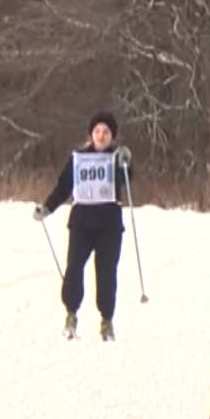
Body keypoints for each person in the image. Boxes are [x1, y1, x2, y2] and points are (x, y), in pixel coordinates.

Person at [34, 112, 132, 341]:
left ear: (112, 136)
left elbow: (128, 179)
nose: (101, 136)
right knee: (74, 268)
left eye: (106, 132)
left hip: (109, 224)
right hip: (82, 223)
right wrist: (47, 208)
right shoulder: (78, 158)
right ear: (91, 134)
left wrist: (126, 163)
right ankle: (71, 315)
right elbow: (64, 186)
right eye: (97, 131)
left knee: (106, 273)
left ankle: (106, 321)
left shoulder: (116, 157)